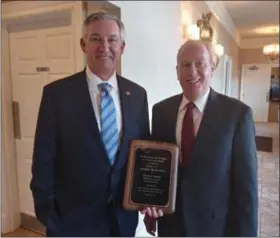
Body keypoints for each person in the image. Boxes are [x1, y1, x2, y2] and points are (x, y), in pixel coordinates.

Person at [30, 12, 150, 237]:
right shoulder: (57, 95)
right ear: (83, 44)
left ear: (122, 47)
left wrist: (147, 198)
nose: (104, 46)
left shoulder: (137, 95)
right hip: (71, 222)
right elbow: (43, 160)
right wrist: (48, 214)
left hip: (121, 220)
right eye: (96, 38)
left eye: (112, 39)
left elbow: (142, 155)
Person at [142, 40, 258, 237]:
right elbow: (156, 169)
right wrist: (150, 208)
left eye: (200, 64)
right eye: (185, 65)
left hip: (215, 227)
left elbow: (247, 189)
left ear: (212, 68)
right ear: (177, 71)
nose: (192, 72)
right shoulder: (161, 111)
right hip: (171, 225)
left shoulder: (237, 115)